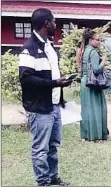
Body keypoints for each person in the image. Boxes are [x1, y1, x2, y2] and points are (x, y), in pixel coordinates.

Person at [19, 8, 71, 186]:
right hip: (39, 108)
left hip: (54, 105)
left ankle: (53, 177)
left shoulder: (49, 45)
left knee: (53, 145)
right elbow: (26, 78)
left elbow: (50, 74)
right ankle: (43, 182)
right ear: (46, 23)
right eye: (54, 21)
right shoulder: (29, 48)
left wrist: (61, 81)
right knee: (40, 148)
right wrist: (55, 83)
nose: (56, 25)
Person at [80, 28, 108, 142]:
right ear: (90, 40)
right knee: (96, 109)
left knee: (86, 109)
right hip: (92, 83)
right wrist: (103, 61)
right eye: (97, 39)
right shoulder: (94, 52)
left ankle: (86, 135)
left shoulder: (84, 50)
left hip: (84, 81)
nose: (99, 42)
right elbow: (96, 70)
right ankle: (96, 135)